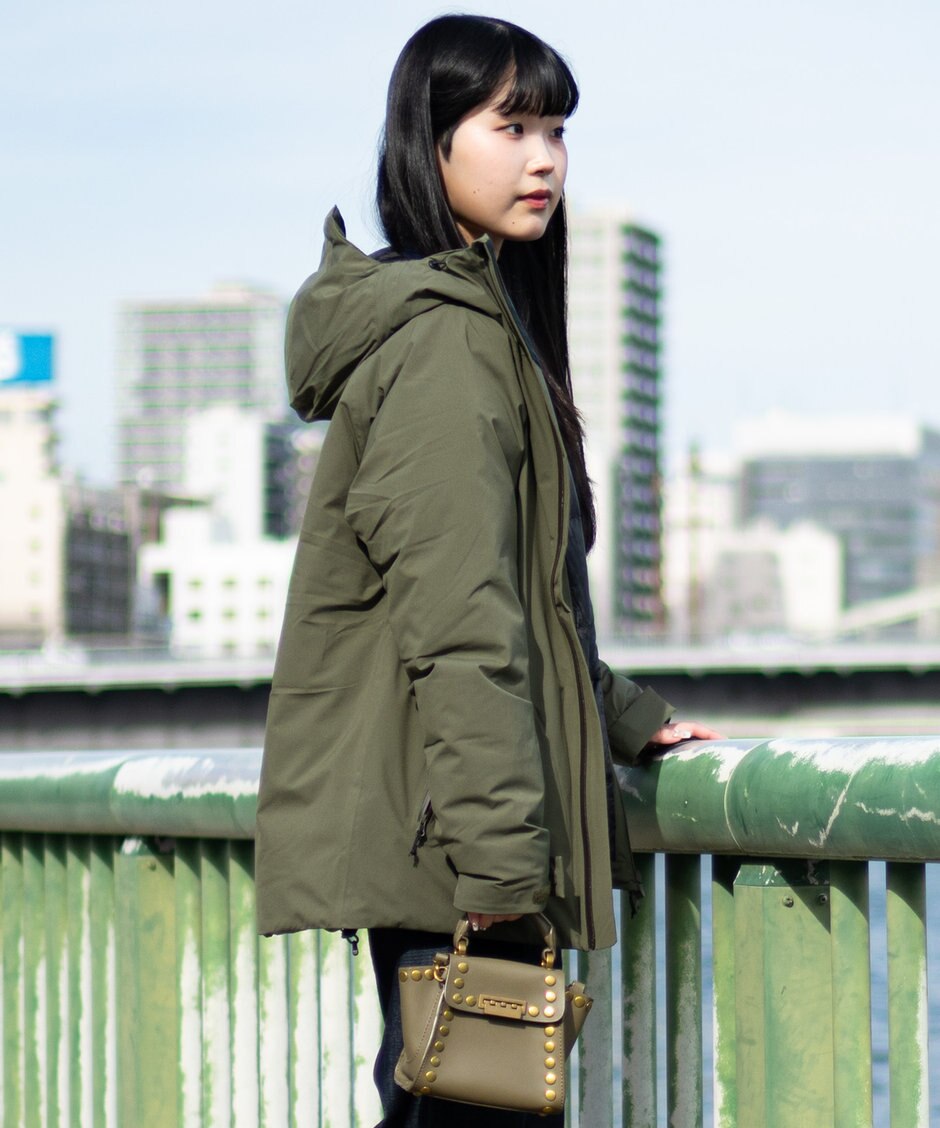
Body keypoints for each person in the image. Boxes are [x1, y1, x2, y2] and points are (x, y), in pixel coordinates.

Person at [255, 14, 720, 1125]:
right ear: (430, 143)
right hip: (467, 851)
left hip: (451, 834)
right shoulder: (446, 342)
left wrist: (623, 714)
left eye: (556, 130)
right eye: (511, 128)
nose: (545, 158)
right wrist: (505, 869)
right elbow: (462, 624)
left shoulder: (472, 324)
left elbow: (512, 598)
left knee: (436, 1099)